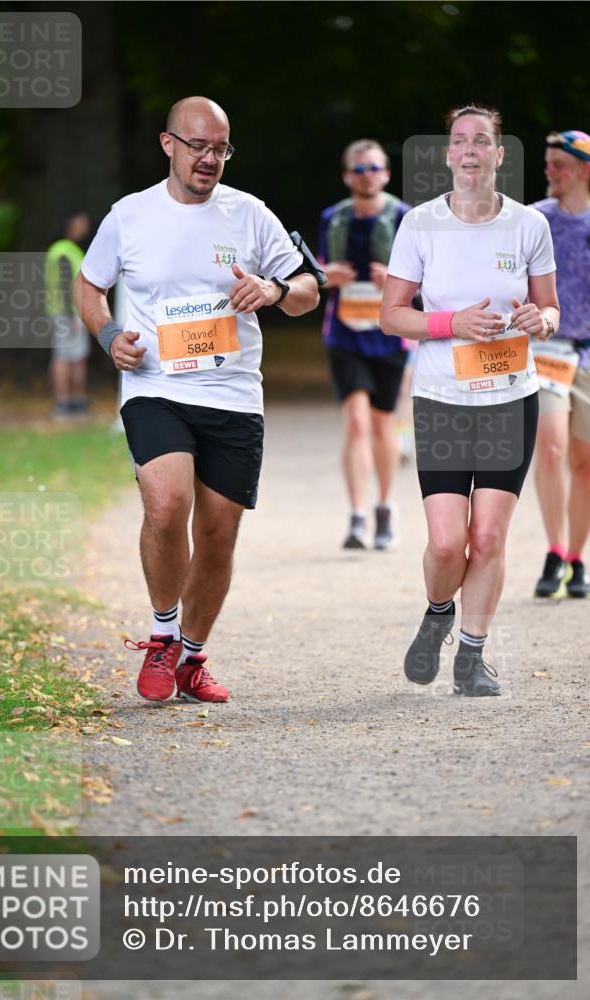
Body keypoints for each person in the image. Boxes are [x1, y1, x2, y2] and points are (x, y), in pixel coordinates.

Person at [75, 96, 319, 704]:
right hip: (156, 386)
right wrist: (109, 337)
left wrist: (273, 287)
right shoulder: (129, 216)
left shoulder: (252, 215)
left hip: (234, 394)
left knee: (218, 535)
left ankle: (190, 654)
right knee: (167, 504)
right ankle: (160, 636)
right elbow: (88, 284)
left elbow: (310, 290)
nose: (209, 159)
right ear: (168, 144)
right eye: (198, 146)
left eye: (220, 149)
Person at [381, 104, 559, 697]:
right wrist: (452, 322)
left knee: (487, 537)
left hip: (512, 398)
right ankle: (438, 612)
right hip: (442, 398)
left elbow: (550, 309)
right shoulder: (421, 224)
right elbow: (391, 316)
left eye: (482, 141)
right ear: (448, 155)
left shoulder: (530, 225)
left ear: (499, 155)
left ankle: (473, 657)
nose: (470, 151)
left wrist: (542, 318)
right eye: (459, 141)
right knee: (444, 541)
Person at [318, 140, 409, 550]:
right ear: (346, 176)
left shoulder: (405, 217)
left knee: (381, 423)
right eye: (359, 168)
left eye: (374, 167)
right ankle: (356, 515)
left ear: (386, 173)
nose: (367, 174)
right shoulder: (331, 218)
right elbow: (315, 270)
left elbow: (426, 279)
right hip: (344, 333)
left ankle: (385, 507)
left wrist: (392, 279)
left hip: (389, 333)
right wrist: (326, 274)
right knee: (355, 419)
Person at [530, 130, 590, 599]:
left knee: (585, 463)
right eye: (547, 163)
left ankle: (577, 558)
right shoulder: (535, 219)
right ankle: (553, 551)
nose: (549, 171)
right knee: (550, 449)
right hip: (547, 351)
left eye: (558, 164)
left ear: (584, 169)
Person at [45, 213, 91, 419]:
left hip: (66, 312)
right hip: (68, 313)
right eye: (82, 223)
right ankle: (65, 402)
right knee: (66, 357)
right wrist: (70, 314)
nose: (86, 226)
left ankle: (73, 401)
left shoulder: (61, 249)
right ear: (71, 225)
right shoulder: (64, 251)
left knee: (73, 356)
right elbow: (65, 284)